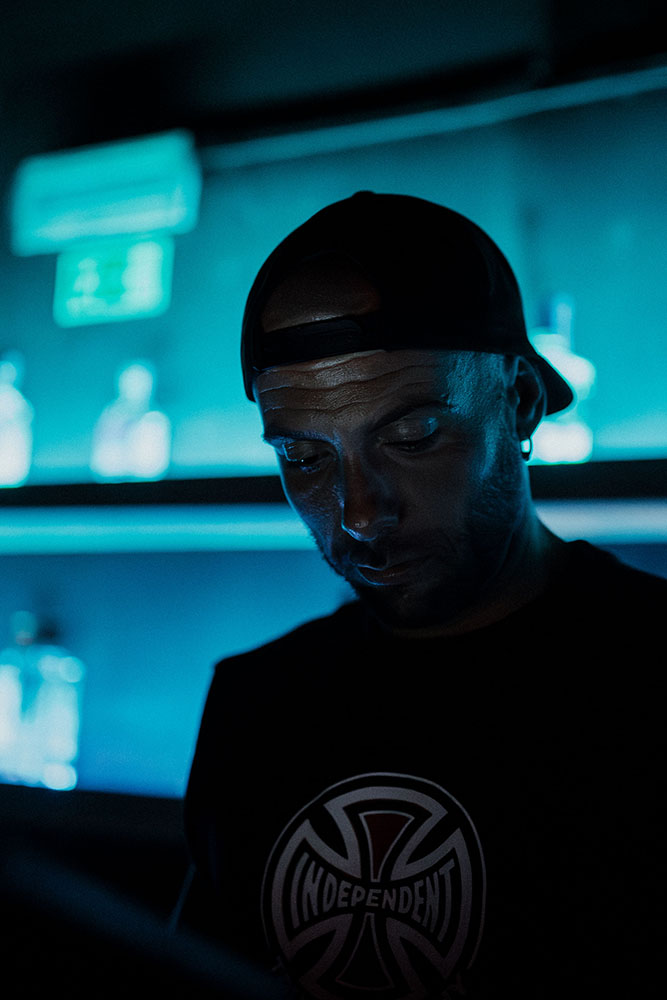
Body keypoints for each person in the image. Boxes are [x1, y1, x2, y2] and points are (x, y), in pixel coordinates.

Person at [181, 192, 666, 999]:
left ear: (517, 402)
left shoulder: (649, 675)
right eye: (304, 458)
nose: (360, 512)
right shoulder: (254, 703)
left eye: (411, 436)